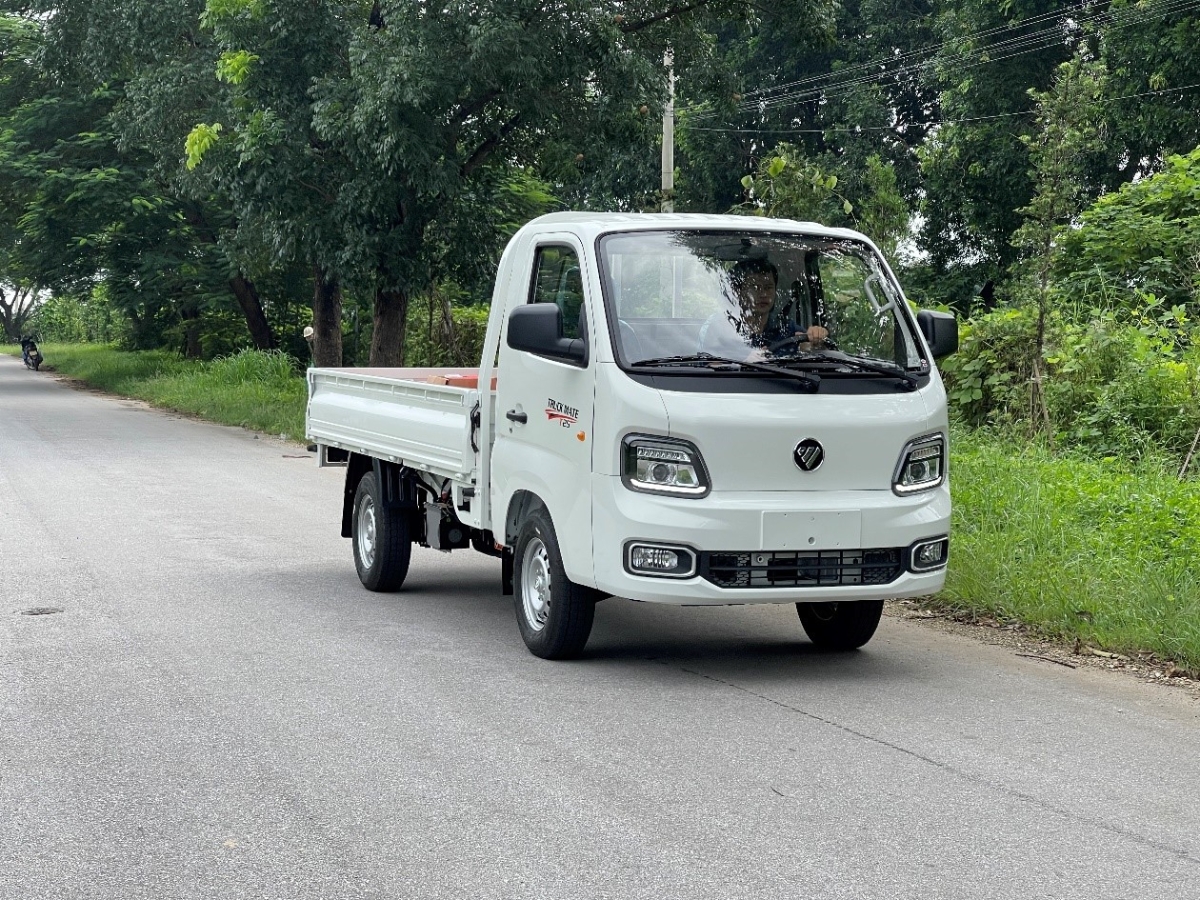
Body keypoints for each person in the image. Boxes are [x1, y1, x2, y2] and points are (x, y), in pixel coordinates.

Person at [698, 258, 827, 355]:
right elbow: (708, 365)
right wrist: (741, 362)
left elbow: (812, 352)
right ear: (737, 292)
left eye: (768, 287)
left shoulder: (786, 328)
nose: (764, 294)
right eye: (755, 287)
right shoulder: (721, 326)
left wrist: (817, 339)